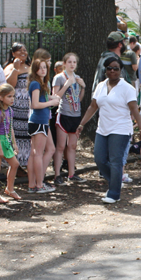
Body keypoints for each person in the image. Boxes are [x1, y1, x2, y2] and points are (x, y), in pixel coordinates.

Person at [76, 56, 141, 204]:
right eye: (109, 68)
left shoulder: (127, 88)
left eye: (116, 68)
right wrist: (81, 124)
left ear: (120, 70)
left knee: (115, 161)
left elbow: (134, 109)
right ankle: (116, 180)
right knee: (99, 159)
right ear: (105, 70)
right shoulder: (101, 86)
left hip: (120, 129)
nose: (113, 71)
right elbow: (93, 106)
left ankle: (114, 193)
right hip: (103, 128)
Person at [52, 53, 86, 185]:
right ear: (64, 63)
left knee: (72, 146)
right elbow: (55, 97)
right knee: (60, 146)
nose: (72, 64)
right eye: (69, 62)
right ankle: (57, 175)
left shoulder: (77, 78)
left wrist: (83, 87)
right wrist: (66, 85)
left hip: (76, 115)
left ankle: (71, 174)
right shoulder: (59, 78)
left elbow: (79, 99)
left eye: (74, 62)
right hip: (63, 114)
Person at [27, 58, 59, 193]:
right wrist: (50, 103)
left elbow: (43, 99)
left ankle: (34, 183)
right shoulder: (35, 84)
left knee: (49, 149)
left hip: (42, 121)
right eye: (40, 68)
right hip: (38, 121)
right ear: (35, 69)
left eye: (45, 67)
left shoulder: (42, 84)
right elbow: (34, 104)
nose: (43, 70)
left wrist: (52, 98)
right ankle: (38, 184)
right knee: (37, 154)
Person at [0, 85, 21, 203]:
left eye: (13, 96)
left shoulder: (10, 111)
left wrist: (14, 143)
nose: (12, 99)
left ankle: (10, 188)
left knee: (15, 164)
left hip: (6, 140)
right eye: (9, 96)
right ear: (1, 98)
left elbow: (10, 128)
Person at [4, 43, 32, 169]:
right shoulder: (10, 67)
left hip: (29, 108)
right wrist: (15, 68)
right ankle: (16, 165)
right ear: (13, 53)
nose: (23, 53)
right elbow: (9, 85)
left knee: (27, 135)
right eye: (19, 51)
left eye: (25, 50)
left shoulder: (30, 67)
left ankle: (26, 163)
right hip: (16, 108)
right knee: (17, 135)